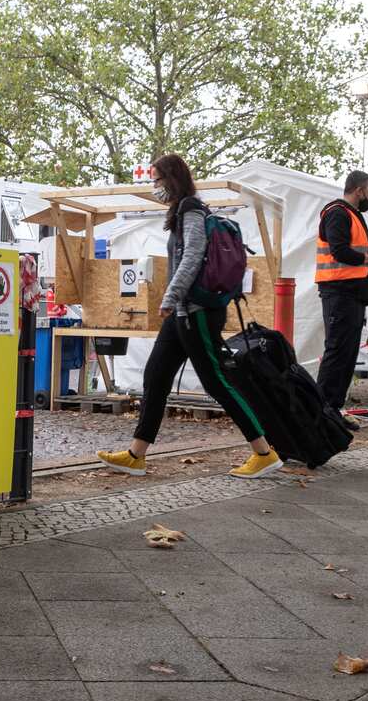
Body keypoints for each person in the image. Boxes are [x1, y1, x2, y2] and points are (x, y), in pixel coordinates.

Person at [96, 153, 282, 479]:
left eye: (156, 180)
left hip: (196, 312)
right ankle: (136, 455)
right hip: (183, 314)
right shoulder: (183, 211)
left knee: (217, 383)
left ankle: (264, 453)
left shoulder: (191, 209)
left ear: (172, 178)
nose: (154, 187)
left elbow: (194, 254)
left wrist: (171, 296)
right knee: (155, 376)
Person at [314, 170, 368, 430]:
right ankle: (320, 412)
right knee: (337, 352)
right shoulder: (337, 212)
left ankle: (333, 410)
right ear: (359, 189)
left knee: (347, 355)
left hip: (352, 294)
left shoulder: (352, 215)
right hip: (339, 293)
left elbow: (353, 255)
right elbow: (339, 251)